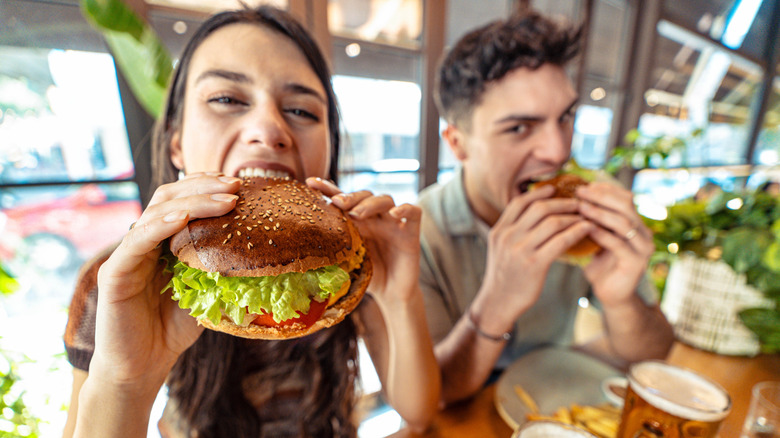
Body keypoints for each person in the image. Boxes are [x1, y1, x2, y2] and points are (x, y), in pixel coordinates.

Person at [62, 6, 439, 437]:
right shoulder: (114, 282)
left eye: (302, 110)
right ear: (177, 144)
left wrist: (400, 297)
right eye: (226, 99)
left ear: (329, 148)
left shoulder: (348, 257)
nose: (269, 128)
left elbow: (418, 413)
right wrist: (126, 384)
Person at [418, 10, 675, 405]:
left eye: (566, 117)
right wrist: (496, 304)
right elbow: (433, 396)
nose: (558, 151)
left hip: (554, 402)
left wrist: (621, 298)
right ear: (458, 143)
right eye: (519, 128)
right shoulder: (419, 234)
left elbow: (651, 353)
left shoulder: (595, 202)